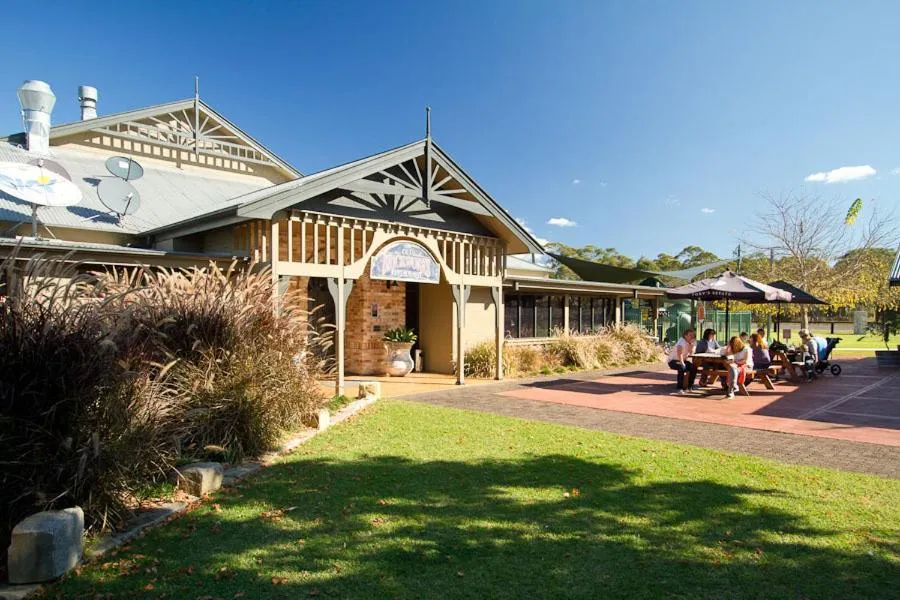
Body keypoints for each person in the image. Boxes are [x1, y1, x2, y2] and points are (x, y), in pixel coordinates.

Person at [720, 335, 753, 399]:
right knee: (732, 368)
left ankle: (731, 390)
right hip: (736, 366)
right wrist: (728, 346)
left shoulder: (746, 349)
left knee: (732, 369)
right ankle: (733, 388)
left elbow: (745, 361)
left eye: (734, 345)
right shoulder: (733, 349)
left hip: (747, 366)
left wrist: (735, 362)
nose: (733, 347)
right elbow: (725, 355)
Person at [668, 329, 697, 394]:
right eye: (690, 335)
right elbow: (679, 353)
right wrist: (682, 363)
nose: (692, 336)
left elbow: (691, 353)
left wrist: (691, 345)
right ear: (685, 336)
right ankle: (679, 388)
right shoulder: (681, 342)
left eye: (693, 335)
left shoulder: (693, 342)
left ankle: (690, 386)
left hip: (683, 360)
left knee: (694, 368)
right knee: (681, 367)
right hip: (673, 360)